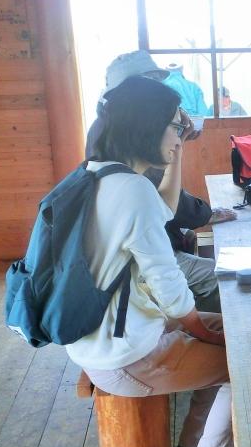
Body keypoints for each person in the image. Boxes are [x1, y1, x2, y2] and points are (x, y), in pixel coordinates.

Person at [70, 76, 238, 447]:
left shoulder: (99, 176)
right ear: (146, 127)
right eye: (172, 125)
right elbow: (173, 292)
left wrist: (178, 151)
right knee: (247, 363)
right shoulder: (132, 190)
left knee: (235, 331)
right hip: (125, 355)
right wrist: (202, 331)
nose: (177, 132)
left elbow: (160, 212)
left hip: (99, 338)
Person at [86, 51, 236, 313]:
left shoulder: (105, 129)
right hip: (131, 269)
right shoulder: (131, 174)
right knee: (228, 279)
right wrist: (198, 328)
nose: (155, 90)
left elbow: (164, 205)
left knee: (191, 242)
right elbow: (167, 208)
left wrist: (175, 140)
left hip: (133, 255)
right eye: (148, 84)